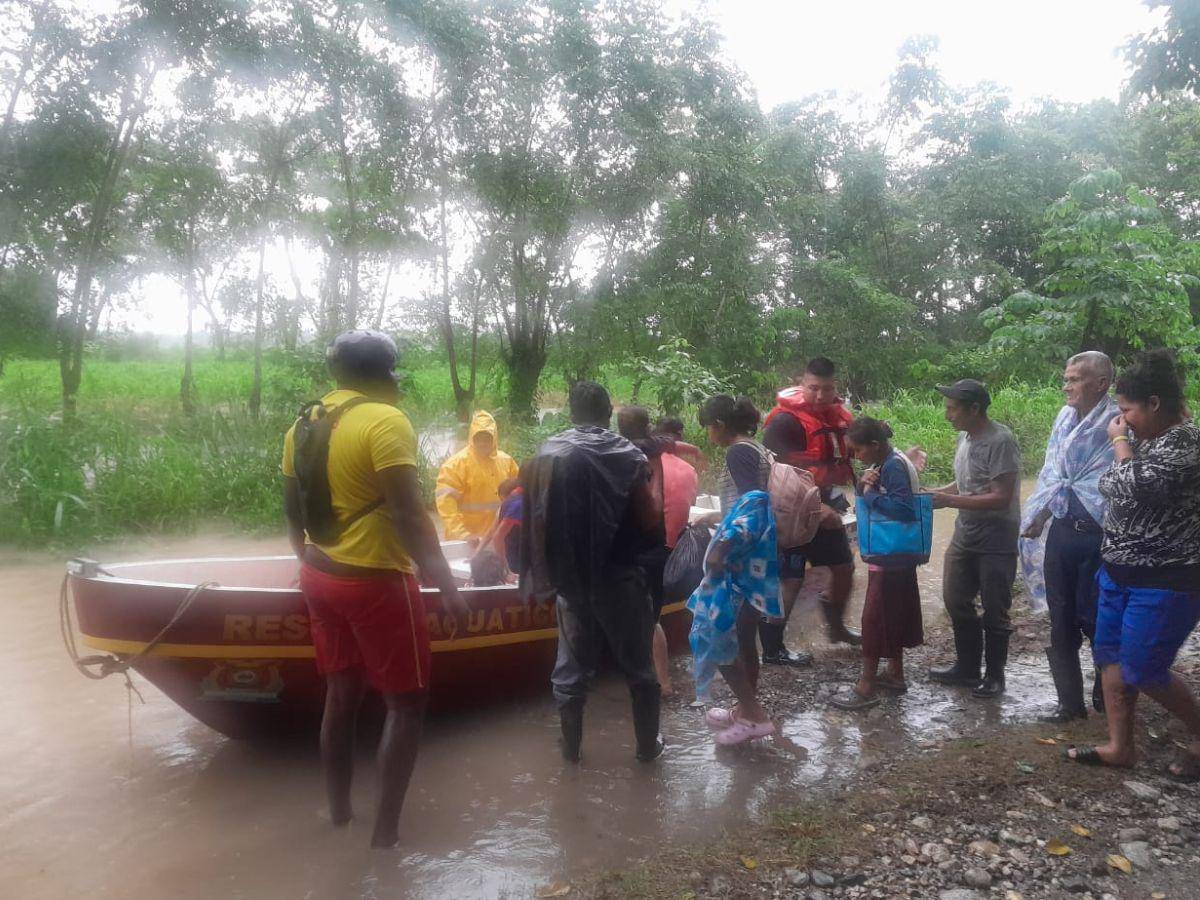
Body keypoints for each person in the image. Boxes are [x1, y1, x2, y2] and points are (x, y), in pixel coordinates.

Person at [281, 330, 469, 849]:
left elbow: (293, 506)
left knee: (340, 693)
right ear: (383, 374)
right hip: (374, 583)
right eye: (393, 372)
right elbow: (410, 514)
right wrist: (448, 584)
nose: (396, 381)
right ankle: (385, 838)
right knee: (406, 704)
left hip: (318, 576)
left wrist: (306, 562)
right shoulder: (386, 420)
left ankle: (339, 815)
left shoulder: (305, 421)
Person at [1065, 350, 1200, 777]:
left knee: (1144, 667)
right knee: (1110, 657)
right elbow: (1108, 484)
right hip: (1118, 571)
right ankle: (1120, 746)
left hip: (1167, 578)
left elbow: (1133, 484)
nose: (1121, 421)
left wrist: (1120, 445)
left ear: (1154, 404)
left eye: (1126, 411)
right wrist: (1123, 457)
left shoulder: (1186, 443)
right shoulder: (1145, 440)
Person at [521, 381, 664, 763]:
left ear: (571, 412)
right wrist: (659, 471)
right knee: (639, 667)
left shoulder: (546, 451)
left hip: (569, 579)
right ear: (607, 413)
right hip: (619, 574)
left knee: (570, 668)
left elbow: (533, 519)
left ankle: (571, 753)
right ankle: (648, 751)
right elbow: (650, 520)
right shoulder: (627, 452)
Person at [1020, 352, 1118, 722]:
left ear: (1100, 383)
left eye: (1075, 379)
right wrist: (1039, 515)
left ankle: (1106, 696)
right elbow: (1056, 474)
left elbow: (1115, 481)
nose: (1066, 386)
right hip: (1062, 531)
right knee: (1061, 620)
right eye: (1066, 378)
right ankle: (1068, 704)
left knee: (1098, 620)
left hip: (1101, 537)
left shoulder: (1117, 424)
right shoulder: (1063, 418)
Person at [689, 395, 784, 744]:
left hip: (740, 562)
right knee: (744, 638)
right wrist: (717, 517)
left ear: (719, 425)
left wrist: (723, 548)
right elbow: (749, 503)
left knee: (719, 636)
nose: (709, 435)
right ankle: (746, 710)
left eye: (708, 427)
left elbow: (754, 505)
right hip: (755, 557)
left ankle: (755, 717)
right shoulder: (756, 449)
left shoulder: (738, 451)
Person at [927, 378, 1021, 699]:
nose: (947, 415)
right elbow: (964, 482)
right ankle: (967, 669)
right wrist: (936, 493)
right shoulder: (965, 438)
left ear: (974, 409)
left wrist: (949, 502)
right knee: (955, 600)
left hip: (997, 537)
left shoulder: (1000, 441)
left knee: (995, 609)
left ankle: (995, 677)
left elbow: (1001, 497)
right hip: (966, 533)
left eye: (952, 409)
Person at [762, 357, 860, 664]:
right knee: (790, 580)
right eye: (813, 388)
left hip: (825, 502)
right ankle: (774, 650)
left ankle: (836, 628)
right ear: (801, 384)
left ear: (836, 387)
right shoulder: (784, 422)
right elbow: (773, 476)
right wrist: (816, 509)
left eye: (827, 389)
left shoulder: (839, 419)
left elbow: (856, 454)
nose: (819, 396)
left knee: (844, 568)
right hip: (789, 511)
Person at [830, 417, 924, 710]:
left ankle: (866, 686)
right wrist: (862, 487)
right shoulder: (889, 462)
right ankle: (895, 674)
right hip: (897, 556)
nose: (856, 457)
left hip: (889, 558)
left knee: (873, 619)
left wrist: (868, 496)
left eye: (858, 451)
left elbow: (904, 509)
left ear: (874, 445)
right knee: (893, 614)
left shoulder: (893, 466)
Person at [617, 406, 701, 697]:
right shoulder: (659, 449)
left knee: (641, 617)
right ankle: (659, 681)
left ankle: (656, 681)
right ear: (649, 427)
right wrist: (696, 451)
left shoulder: (616, 451)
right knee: (649, 618)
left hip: (630, 548)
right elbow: (674, 444)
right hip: (657, 544)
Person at [435, 410, 519, 543]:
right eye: (478, 438)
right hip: (466, 540)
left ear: (494, 438)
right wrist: (463, 534)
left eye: (487, 438)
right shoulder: (455, 465)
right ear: (471, 438)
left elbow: (519, 496)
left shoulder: (507, 462)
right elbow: (446, 506)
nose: (483, 443)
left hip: (498, 537)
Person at [471, 476, 523, 581]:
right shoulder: (509, 506)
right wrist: (476, 555)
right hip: (511, 556)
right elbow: (493, 533)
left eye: (503, 500)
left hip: (516, 553)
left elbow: (494, 533)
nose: (503, 504)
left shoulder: (516, 504)